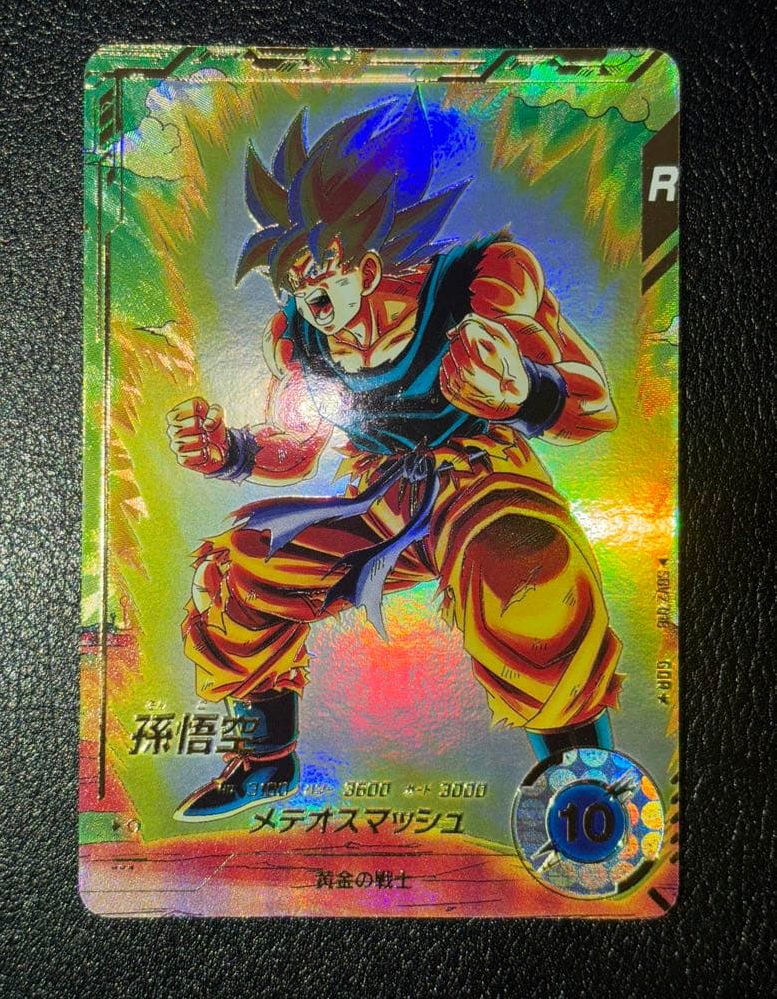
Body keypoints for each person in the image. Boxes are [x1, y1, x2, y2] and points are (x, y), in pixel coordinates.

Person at [166, 91, 621, 822]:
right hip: (382, 493)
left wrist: (526, 391)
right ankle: (266, 763)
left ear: (369, 267)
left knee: (528, 575)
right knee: (238, 570)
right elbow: (298, 444)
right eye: (294, 286)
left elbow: (595, 406)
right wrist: (233, 451)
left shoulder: (484, 282)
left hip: (483, 474)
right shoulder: (299, 335)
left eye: (320, 284)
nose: (310, 306)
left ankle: (585, 787)